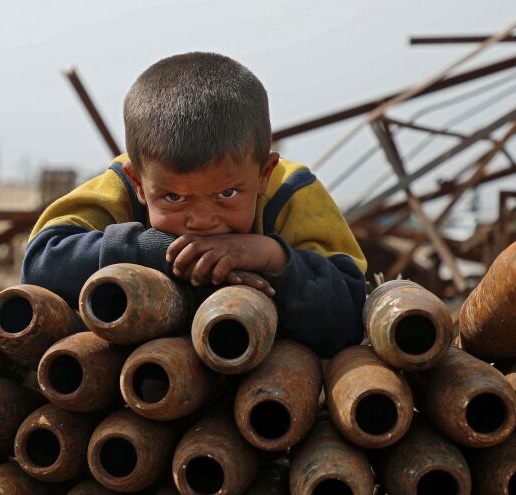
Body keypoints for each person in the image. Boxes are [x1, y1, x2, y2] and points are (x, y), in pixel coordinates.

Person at [22, 52, 367, 357]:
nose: (202, 221)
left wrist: (272, 257)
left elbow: (348, 316)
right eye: (174, 197)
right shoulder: (123, 185)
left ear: (264, 173)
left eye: (227, 194)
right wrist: (162, 252)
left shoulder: (290, 191)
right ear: (140, 184)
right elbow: (41, 263)